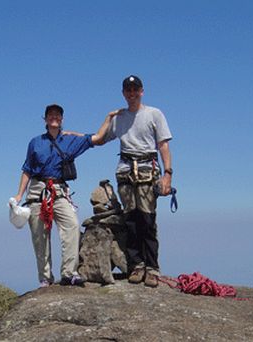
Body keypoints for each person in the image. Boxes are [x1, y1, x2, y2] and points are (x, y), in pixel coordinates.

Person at [13, 104, 118, 288]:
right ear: (44, 119)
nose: (54, 117)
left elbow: (98, 138)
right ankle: (45, 277)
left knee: (72, 225)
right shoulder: (35, 142)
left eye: (58, 115)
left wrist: (108, 118)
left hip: (59, 190)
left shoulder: (70, 140)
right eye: (51, 115)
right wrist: (19, 195)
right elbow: (27, 170)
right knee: (40, 236)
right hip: (37, 190)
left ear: (61, 119)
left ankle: (69, 273)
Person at [103, 75, 173, 287]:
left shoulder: (154, 114)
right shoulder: (119, 118)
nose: (132, 94)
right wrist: (72, 135)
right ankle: (136, 265)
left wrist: (167, 174)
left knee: (147, 220)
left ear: (141, 91)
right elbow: (100, 138)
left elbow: (163, 145)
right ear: (124, 93)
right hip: (126, 172)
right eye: (128, 90)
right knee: (131, 221)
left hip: (146, 170)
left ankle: (152, 267)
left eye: (135, 89)